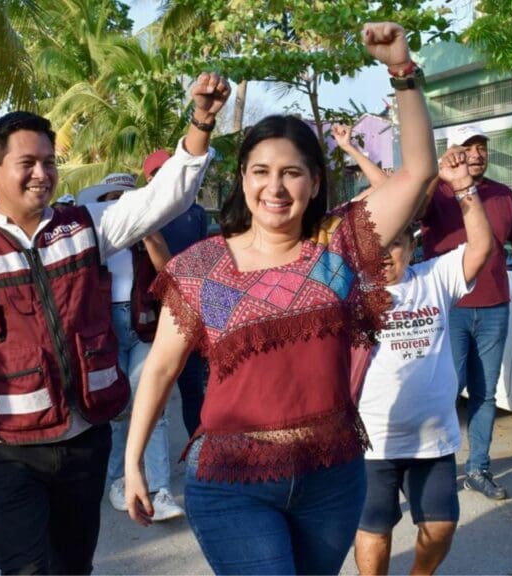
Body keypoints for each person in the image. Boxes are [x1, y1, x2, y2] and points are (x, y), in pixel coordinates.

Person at [123, 22, 436, 575]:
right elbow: (161, 369)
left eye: (292, 173)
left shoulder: (338, 247)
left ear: (315, 183)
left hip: (331, 479)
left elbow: (417, 174)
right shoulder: (202, 267)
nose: (276, 187)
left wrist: (401, 70)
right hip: (231, 483)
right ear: (243, 180)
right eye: (261, 172)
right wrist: (132, 463)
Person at [0, 72, 229, 575]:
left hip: (84, 442)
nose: (42, 173)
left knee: (74, 567)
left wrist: (201, 123)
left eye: (49, 162)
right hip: (6, 451)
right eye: (27, 163)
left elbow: (163, 197)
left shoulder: (85, 228)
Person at [354, 147, 494, 575]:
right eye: (376, 245)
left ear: (410, 247)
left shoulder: (434, 278)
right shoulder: (348, 291)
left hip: (432, 440)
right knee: (374, 531)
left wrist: (464, 189)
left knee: (441, 527)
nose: (386, 255)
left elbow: (482, 246)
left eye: (395, 244)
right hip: (371, 439)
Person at [420, 124, 512, 500]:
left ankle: (478, 468)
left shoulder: (502, 194)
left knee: (484, 393)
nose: (477, 154)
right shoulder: (439, 195)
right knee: (446, 391)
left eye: (481, 147)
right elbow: (412, 209)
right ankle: (436, 469)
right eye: (468, 147)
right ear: (453, 153)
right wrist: (437, 174)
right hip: (450, 309)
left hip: (495, 308)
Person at [77, 174, 184, 522]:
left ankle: (159, 487)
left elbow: (168, 273)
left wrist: (148, 233)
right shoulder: (94, 236)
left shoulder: (145, 233)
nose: (119, 204)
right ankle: (119, 479)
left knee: (151, 402)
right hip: (105, 327)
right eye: (112, 198)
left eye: (126, 198)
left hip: (144, 324)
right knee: (116, 405)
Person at [145, 149, 210, 437]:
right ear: (151, 179)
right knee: (151, 394)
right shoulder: (142, 214)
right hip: (150, 315)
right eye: (162, 173)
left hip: (191, 309)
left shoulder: (197, 214)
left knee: (192, 388)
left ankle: (199, 451)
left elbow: (201, 260)